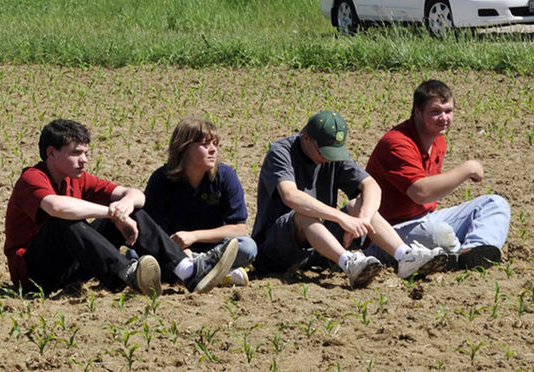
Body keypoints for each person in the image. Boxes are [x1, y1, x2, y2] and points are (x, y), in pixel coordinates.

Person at [4, 119, 241, 298]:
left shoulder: (78, 177)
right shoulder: (32, 178)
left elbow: (136, 195)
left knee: (131, 211)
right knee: (62, 221)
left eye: (86, 153)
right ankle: (127, 272)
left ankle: (188, 270)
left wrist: (124, 206)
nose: (84, 160)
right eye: (76, 153)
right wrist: (110, 212)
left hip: (71, 268)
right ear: (51, 153)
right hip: (34, 276)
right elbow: (56, 206)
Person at [250, 111, 450, 289]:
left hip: (318, 248)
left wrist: (362, 219)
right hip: (275, 249)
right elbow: (290, 195)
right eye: (324, 152)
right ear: (306, 138)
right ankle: (349, 263)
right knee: (305, 214)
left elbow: (372, 186)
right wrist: (340, 218)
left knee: (359, 204)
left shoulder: (334, 155)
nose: (330, 158)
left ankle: (405, 256)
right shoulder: (281, 152)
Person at [365, 80, 510, 269]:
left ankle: (474, 251)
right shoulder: (397, 144)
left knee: (494, 204)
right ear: (418, 111)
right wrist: (468, 168)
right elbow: (420, 193)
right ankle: (455, 255)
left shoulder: (437, 140)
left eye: (448, 111)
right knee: (438, 233)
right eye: (436, 112)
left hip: (424, 218)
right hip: (387, 234)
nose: (444, 118)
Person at [143, 118, 257, 287]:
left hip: (215, 249)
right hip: (174, 250)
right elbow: (152, 228)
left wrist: (194, 236)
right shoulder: (161, 179)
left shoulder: (225, 176)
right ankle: (215, 273)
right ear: (184, 148)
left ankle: (192, 270)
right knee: (135, 254)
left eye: (215, 144)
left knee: (248, 247)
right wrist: (178, 251)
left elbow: (239, 229)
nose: (213, 150)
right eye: (205, 144)